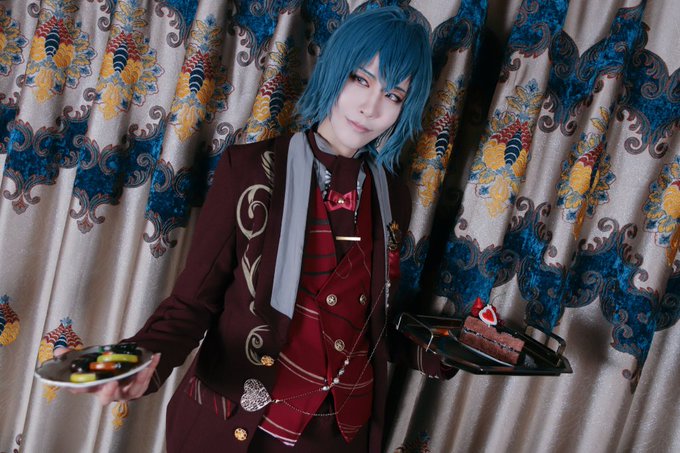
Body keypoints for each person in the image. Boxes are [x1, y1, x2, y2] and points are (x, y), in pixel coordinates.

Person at [69, 6, 453, 452]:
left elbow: (368, 324)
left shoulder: (393, 197)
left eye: (394, 95)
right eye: (360, 79)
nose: (371, 107)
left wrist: (449, 349)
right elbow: (192, 304)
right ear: (335, 69)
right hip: (239, 432)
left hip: (336, 439)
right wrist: (132, 364)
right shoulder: (250, 170)